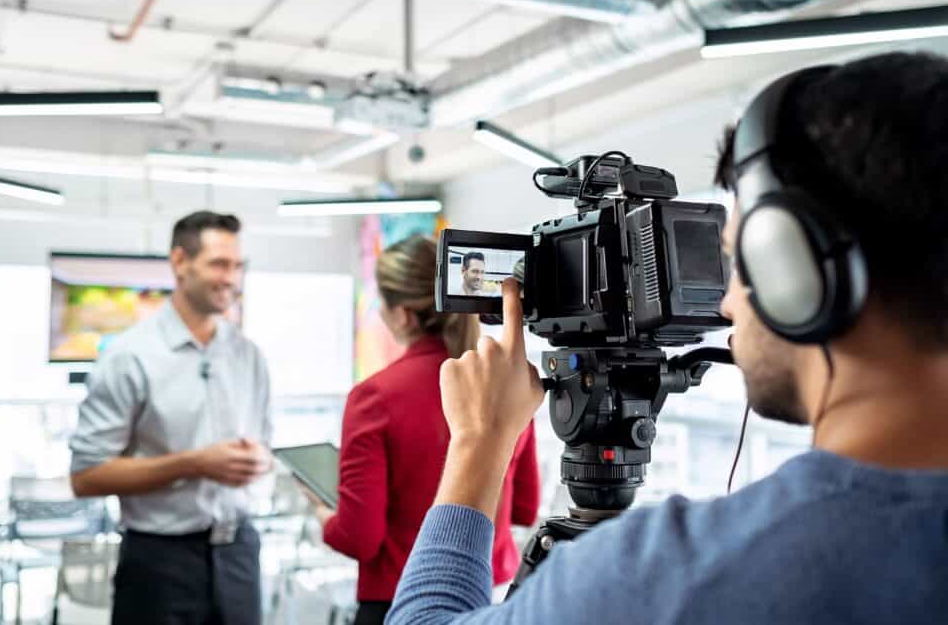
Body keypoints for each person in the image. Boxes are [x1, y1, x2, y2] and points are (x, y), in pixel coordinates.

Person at [386, 51, 948, 624]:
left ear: (795, 269)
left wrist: (480, 442)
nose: (726, 303)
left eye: (738, 261)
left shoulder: (660, 577)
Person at [302, 235, 539, 625]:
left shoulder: (373, 398)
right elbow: (526, 508)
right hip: (499, 600)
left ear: (405, 315)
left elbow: (360, 537)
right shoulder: (502, 386)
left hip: (401, 603)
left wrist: (323, 514)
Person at [69, 211, 273, 625]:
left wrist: (260, 461)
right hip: (159, 563)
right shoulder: (129, 357)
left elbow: (266, 447)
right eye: (219, 264)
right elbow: (87, 477)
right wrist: (194, 464)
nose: (231, 279)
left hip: (239, 552)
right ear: (180, 262)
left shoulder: (248, 355)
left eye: (237, 266)